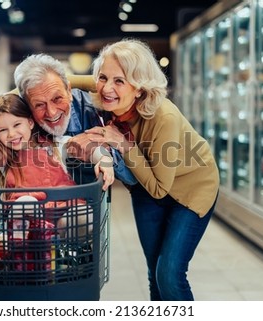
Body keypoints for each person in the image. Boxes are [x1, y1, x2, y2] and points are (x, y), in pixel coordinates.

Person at [84, 38, 220, 301]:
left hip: (190, 188)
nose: (107, 88)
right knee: (153, 272)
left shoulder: (163, 117)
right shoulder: (110, 102)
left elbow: (159, 189)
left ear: (139, 87)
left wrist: (122, 145)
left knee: (169, 274)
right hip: (145, 184)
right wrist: (6, 102)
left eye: (119, 81)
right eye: (102, 78)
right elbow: (58, 79)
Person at [0, 54, 137, 186]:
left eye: (57, 98)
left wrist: (109, 155)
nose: (51, 112)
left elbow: (134, 178)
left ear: (69, 89)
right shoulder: (18, 119)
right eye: (39, 105)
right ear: (27, 104)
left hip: (78, 213)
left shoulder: (95, 110)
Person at [0, 92, 114, 236]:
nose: (12, 134)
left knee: (85, 216)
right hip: (26, 226)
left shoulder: (56, 145)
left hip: (62, 217)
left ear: (30, 123)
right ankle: (23, 252)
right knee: (26, 201)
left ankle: (57, 247)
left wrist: (103, 159)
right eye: (3, 130)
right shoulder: (4, 154)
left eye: (17, 124)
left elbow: (88, 148)